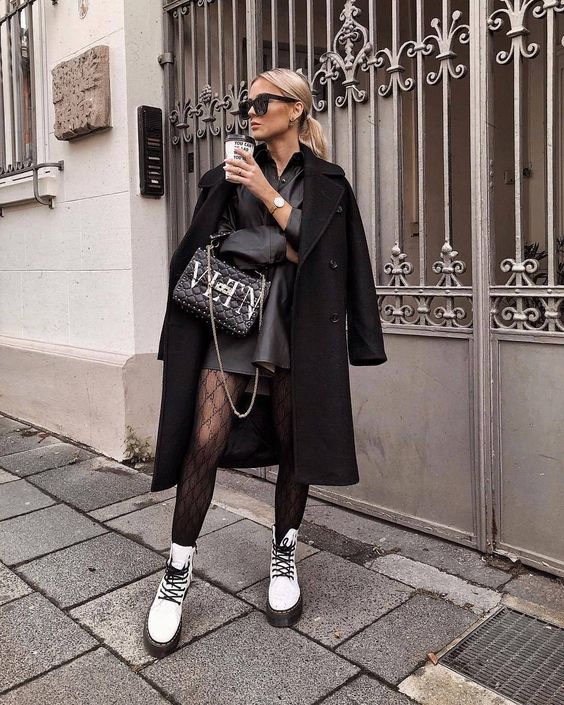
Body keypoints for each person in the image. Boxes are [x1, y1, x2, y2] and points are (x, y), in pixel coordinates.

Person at [144, 68, 387, 658]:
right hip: (232, 322)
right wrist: (288, 240)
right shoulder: (228, 176)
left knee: (295, 443)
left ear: (295, 109)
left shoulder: (328, 182)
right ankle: (176, 572)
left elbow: (332, 253)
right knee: (204, 440)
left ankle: (284, 555)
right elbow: (220, 244)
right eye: (245, 104)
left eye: (261, 103)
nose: (249, 112)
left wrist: (271, 201)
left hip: (299, 329)